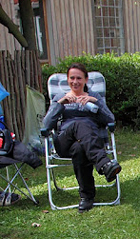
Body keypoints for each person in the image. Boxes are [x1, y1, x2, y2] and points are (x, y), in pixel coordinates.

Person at [42, 63, 121, 213]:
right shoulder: (60, 98)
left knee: (80, 148)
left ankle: (86, 197)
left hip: (87, 144)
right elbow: (46, 124)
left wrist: (94, 101)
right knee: (78, 124)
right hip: (64, 142)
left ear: (86, 80)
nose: (75, 81)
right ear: (67, 80)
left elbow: (110, 119)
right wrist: (61, 104)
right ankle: (104, 163)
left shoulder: (94, 97)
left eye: (79, 78)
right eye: (72, 78)